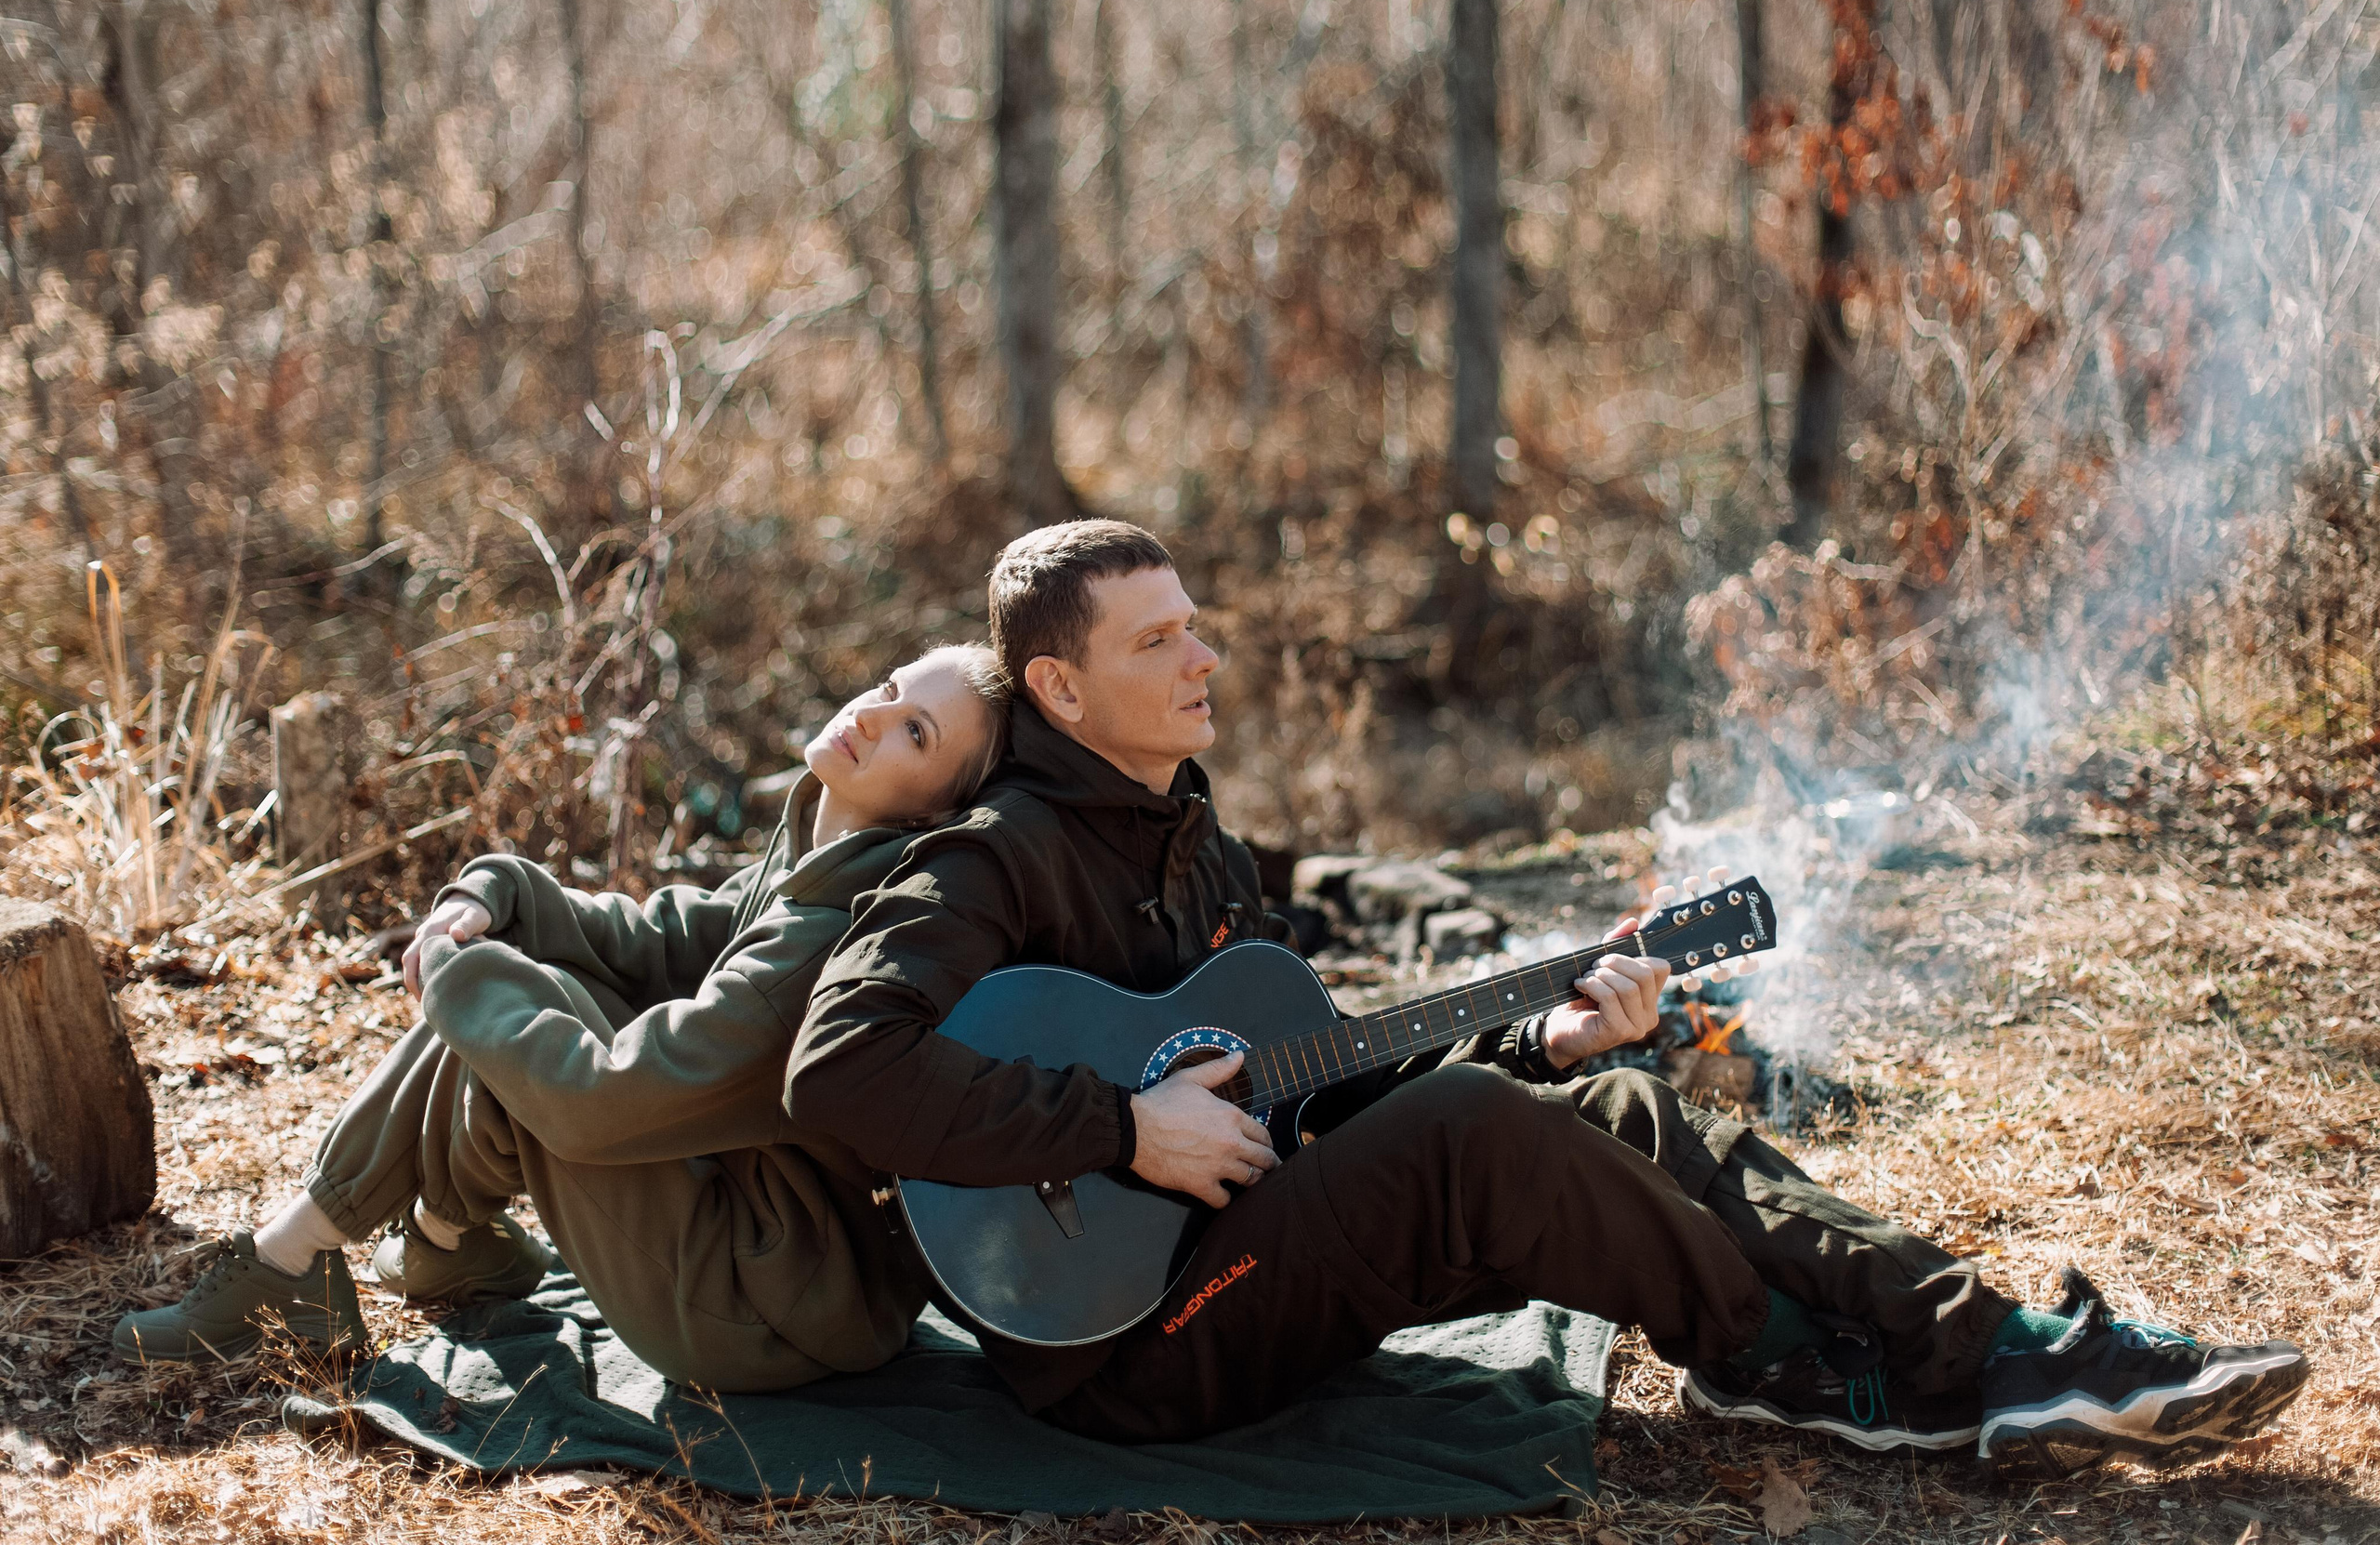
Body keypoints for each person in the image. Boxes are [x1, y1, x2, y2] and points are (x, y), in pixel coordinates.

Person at [785, 520, 2308, 1477]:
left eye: (1194, 620)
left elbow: (1294, 1083)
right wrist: (1120, 1128)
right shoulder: (993, 865)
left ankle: (1987, 1342)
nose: (1205, 655)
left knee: (1613, 1094)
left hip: (1240, 1241)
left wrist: (1542, 1032)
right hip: (1122, 1345)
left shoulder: (1201, 848)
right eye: (1157, 638)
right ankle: (1806, 1363)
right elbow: (838, 1072)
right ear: (1058, 691)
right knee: (1468, 1129)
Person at [115, 642, 1011, 1393]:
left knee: (508, 1015)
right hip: (782, 1256)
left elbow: (605, 1100)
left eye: (914, 733)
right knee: (514, 995)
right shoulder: (822, 864)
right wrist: (497, 897)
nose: (872, 716)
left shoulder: (836, 937)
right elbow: (661, 940)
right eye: (889, 691)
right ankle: (437, 1242)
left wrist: (468, 980)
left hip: (767, 1308)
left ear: (938, 813)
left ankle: (294, 1264)